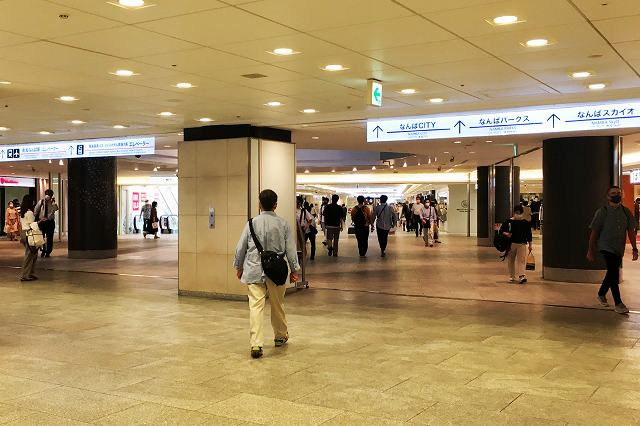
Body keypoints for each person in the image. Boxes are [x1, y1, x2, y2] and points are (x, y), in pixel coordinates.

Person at [234, 189, 300, 359]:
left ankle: (256, 344)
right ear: (275, 205)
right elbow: (291, 249)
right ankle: (280, 336)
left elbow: (241, 248)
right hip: (277, 271)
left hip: (254, 269)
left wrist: (239, 266)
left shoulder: (250, 224)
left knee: (255, 306)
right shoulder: (283, 224)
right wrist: (294, 270)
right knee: (278, 304)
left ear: (259, 204)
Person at [587, 186, 638, 314]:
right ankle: (618, 303)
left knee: (611, 272)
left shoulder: (626, 212)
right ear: (608, 196)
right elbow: (595, 231)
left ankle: (601, 293)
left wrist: (634, 248)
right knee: (614, 272)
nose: (616, 195)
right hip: (605, 246)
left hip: (618, 248)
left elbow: (631, 231)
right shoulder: (602, 211)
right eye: (613, 193)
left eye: (619, 193)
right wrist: (590, 249)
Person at [500, 205, 533, 284]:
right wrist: (506, 233)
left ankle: (522, 276)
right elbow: (501, 230)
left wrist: (530, 245)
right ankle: (512, 276)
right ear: (514, 212)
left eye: (519, 212)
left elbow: (529, 234)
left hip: (522, 244)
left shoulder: (525, 223)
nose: (518, 214)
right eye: (516, 212)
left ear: (522, 212)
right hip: (511, 244)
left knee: (521, 260)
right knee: (511, 260)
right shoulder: (508, 222)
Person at [19, 194, 38, 282]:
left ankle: (29, 273)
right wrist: (40, 221)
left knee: (32, 254)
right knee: (30, 254)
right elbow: (32, 224)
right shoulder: (29, 212)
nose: (34, 202)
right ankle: (25, 275)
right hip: (29, 234)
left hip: (24, 233)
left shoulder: (22, 213)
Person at [34, 189, 58, 258]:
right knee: (41, 237)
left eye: (49, 195)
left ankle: (48, 251)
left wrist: (53, 202)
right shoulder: (41, 202)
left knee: (50, 238)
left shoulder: (53, 203)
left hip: (50, 222)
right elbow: (36, 210)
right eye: (47, 194)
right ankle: (43, 250)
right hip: (42, 222)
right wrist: (36, 220)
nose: (48, 196)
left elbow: (56, 209)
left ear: (51, 196)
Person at [297, 196, 316, 260]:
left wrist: (306, 226)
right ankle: (302, 256)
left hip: (307, 230)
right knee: (302, 244)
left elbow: (310, 220)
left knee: (312, 243)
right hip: (299, 230)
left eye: (298, 202)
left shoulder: (303, 210)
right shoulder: (292, 210)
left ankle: (312, 256)